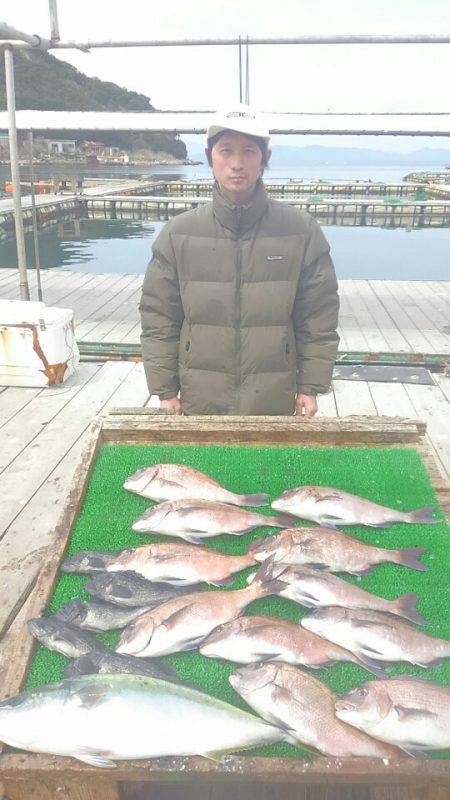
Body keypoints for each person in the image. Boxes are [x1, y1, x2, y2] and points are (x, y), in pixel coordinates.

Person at [139, 104, 339, 417]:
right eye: (226, 151)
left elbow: (318, 317)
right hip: (200, 397)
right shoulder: (178, 234)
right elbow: (158, 317)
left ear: (265, 158)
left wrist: (309, 386)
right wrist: (165, 390)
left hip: (274, 398)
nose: (236, 163)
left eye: (248, 151)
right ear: (209, 156)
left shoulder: (301, 231)